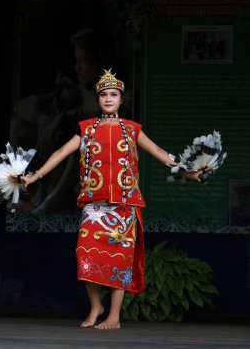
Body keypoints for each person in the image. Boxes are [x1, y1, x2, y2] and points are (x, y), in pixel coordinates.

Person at [11, 69, 204, 329]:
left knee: (120, 259)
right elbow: (61, 152)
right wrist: (35, 176)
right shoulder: (86, 129)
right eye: (104, 95)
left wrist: (188, 172)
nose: (109, 99)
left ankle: (114, 317)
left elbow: (160, 152)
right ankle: (96, 306)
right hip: (95, 204)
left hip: (124, 203)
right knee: (84, 253)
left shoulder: (132, 130)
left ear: (121, 100)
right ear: (98, 99)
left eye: (113, 94)